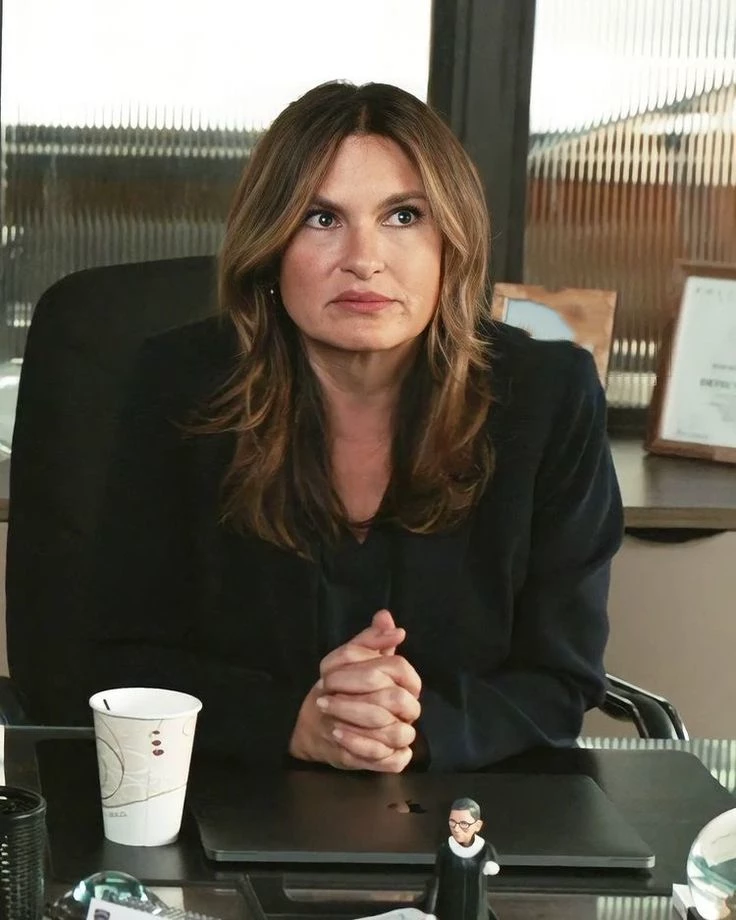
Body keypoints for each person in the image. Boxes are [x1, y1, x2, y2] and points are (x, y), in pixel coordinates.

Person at [76, 81, 623, 772]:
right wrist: (291, 723)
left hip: (471, 807)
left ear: (451, 243)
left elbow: (561, 674)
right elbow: (119, 657)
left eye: (403, 216)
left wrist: (414, 730)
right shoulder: (180, 386)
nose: (364, 258)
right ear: (270, 246)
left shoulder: (549, 396)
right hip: (231, 794)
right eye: (320, 218)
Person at [424, 797, 500, 920]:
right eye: (452, 822)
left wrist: (491, 866)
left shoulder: (484, 849)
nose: (456, 828)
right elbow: (436, 881)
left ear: (477, 825)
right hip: (450, 911)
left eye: (464, 824)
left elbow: (493, 864)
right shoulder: (445, 850)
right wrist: (430, 911)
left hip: (476, 911)